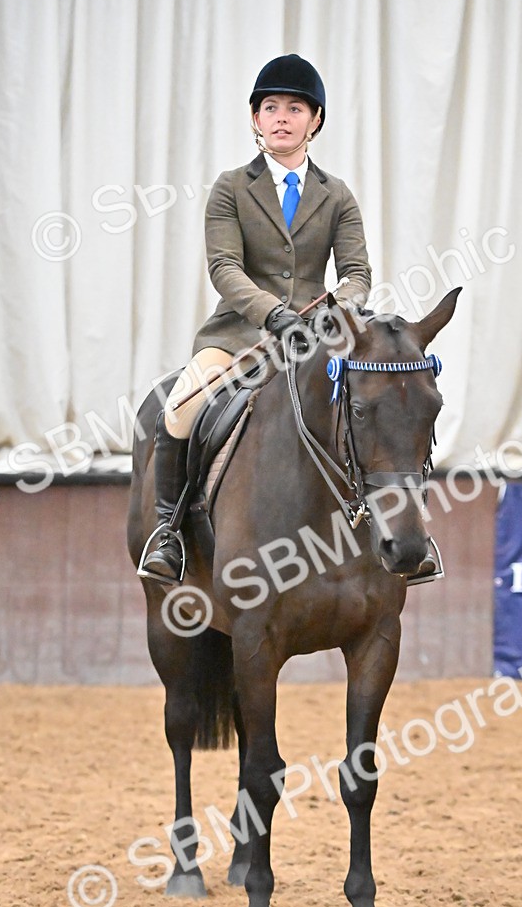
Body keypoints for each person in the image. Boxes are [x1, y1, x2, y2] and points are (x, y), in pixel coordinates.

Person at [140, 53, 372, 582]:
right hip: (239, 335)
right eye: (271, 107)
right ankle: (169, 534)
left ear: (315, 121)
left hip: (315, 341)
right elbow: (225, 267)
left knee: (379, 409)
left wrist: (336, 313)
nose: (282, 117)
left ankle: (398, 533)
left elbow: (357, 273)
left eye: (295, 108)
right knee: (178, 411)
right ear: (255, 119)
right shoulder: (230, 188)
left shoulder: (337, 196)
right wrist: (274, 315)